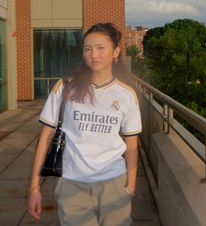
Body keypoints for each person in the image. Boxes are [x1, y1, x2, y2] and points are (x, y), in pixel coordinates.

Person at [27, 23, 142, 226]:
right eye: (87, 49)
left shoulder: (126, 95)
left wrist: (130, 187)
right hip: (72, 185)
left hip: (114, 183)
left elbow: (132, 145)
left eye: (100, 48)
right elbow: (44, 138)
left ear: (116, 51)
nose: (93, 54)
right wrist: (34, 187)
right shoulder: (65, 88)